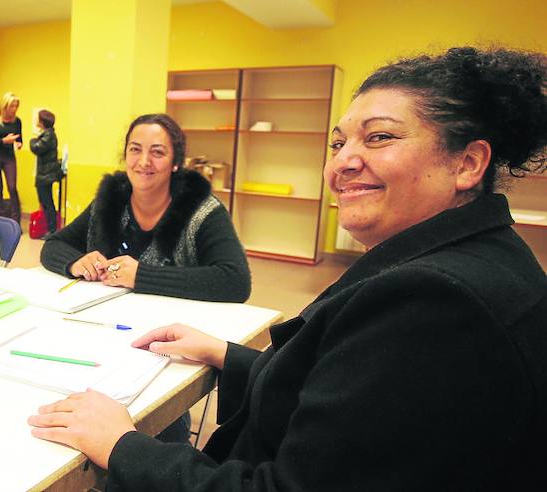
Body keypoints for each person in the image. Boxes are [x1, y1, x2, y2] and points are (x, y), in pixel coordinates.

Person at [28, 47, 547, 491]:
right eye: (338, 143)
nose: (344, 161)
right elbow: (350, 395)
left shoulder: (436, 300)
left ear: (468, 164)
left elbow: (234, 282)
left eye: (380, 138)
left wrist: (122, 447)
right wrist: (226, 354)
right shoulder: (467, 261)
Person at [40, 113, 251, 304]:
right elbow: (53, 245)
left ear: (175, 163)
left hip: (174, 331)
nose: (143, 161)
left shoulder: (202, 210)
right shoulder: (111, 199)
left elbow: (235, 280)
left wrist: (141, 276)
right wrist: (75, 263)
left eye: (157, 152)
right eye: (135, 149)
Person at [0, 92, 23, 222]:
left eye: (16, 106)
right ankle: (1, 219)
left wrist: (18, 143)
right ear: (5, 106)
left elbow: (20, 138)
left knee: (12, 187)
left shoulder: (17, 121)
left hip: (9, 157)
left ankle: (16, 220)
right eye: (12, 106)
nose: (14, 109)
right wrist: (3, 141)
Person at [30, 109, 62, 236]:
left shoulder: (48, 136)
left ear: (42, 122)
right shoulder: (48, 134)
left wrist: (32, 140)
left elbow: (37, 147)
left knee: (47, 202)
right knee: (46, 202)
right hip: (45, 174)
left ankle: (52, 230)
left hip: (45, 175)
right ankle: (50, 229)